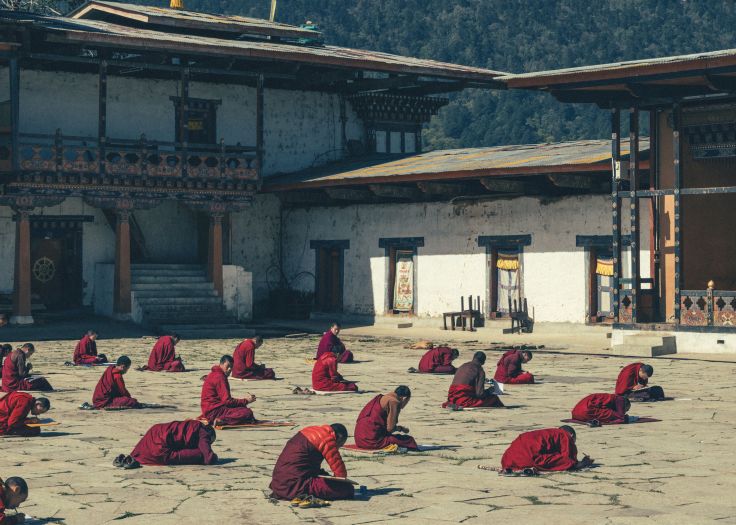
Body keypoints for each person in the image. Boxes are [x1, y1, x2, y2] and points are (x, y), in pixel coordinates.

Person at [270, 424, 354, 501]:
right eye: (339, 445)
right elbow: (340, 472)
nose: (337, 448)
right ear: (339, 437)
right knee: (346, 489)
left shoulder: (310, 430)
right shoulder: (327, 439)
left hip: (278, 482)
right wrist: (340, 482)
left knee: (325, 477)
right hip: (295, 484)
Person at [501, 426, 593, 473]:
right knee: (564, 460)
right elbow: (567, 458)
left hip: (508, 459)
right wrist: (581, 463)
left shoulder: (550, 433)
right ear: (571, 435)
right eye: (573, 442)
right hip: (528, 458)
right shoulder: (564, 435)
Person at [354, 386, 417, 450]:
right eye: (407, 401)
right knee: (409, 440)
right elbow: (390, 428)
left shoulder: (383, 397)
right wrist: (401, 429)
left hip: (358, 439)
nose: (406, 404)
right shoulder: (394, 402)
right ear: (404, 398)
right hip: (371, 441)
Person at [130, 420, 218, 466]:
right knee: (200, 454)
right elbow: (208, 457)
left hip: (154, 431)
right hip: (161, 448)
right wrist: (214, 456)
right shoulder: (203, 432)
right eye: (209, 442)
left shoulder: (192, 424)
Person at [200, 355, 255, 426]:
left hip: (208, 410)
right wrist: (246, 401)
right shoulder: (220, 377)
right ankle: (222, 420)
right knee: (247, 412)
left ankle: (221, 419)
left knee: (242, 408)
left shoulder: (213, 374)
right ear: (221, 364)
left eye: (231, 367)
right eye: (227, 366)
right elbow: (227, 401)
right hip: (214, 411)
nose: (229, 369)